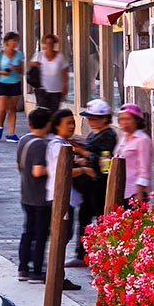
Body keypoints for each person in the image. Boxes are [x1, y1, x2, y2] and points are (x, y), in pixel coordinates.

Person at [70, 99, 118, 265]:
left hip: (100, 183)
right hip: (89, 183)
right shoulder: (93, 134)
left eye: (94, 118)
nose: (90, 121)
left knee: (100, 218)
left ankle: (102, 252)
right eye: (89, 118)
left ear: (104, 118)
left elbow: (105, 160)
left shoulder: (109, 136)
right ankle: (82, 253)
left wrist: (85, 154)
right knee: (84, 217)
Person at [44, 109, 86, 290]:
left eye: (73, 122)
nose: (72, 126)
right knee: (61, 237)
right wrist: (84, 169)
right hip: (60, 198)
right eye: (68, 123)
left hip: (65, 197)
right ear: (57, 125)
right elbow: (62, 171)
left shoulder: (63, 144)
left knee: (63, 237)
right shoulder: (58, 146)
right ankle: (56, 277)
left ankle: (56, 275)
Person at [17, 109, 54, 280]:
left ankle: (23, 267)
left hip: (26, 193)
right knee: (40, 234)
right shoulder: (41, 145)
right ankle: (37, 271)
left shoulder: (24, 140)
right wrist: (56, 168)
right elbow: (38, 171)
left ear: (30, 124)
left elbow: (19, 165)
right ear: (48, 124)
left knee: (28, 232)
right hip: (40, 196)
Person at [114, 103, 154, 206]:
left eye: (128, 119)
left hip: (134, 191)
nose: (125, 122)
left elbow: (144, 169)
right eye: (122, 119)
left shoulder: (142, 140)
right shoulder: (124, 137)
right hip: (121, 188)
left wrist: (139, 193)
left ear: (137, 120)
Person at [0, 32, 26, 140]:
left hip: (15, 83)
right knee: (2, 108)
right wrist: (2, 73)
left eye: (17, 41)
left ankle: (11, 133)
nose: (15, 43)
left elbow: (22, 70)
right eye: (13, 40)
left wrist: (17, 69)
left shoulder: (19, 54)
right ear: (7, 41)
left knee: (12, 108)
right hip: (2, 82)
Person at [31, 34, 71, 113]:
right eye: (47, 43)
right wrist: (36, 65)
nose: (49, 45)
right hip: (42, 89)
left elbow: (64, 73)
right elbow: (31, 66)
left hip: (56, 90)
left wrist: (64, 86)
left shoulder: (60, 57)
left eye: (51, 43)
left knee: (54, 112)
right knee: (42, 112)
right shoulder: (39, 55)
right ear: (44, 44)